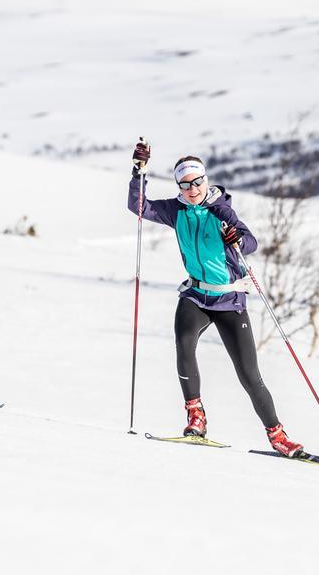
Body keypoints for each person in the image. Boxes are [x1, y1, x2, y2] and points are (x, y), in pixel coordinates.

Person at [126, 141, 303, 457]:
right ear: (179, 185)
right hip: (195, 295)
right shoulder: (176, 210)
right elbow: (138, 207)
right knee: (184, 342)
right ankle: (196, 417)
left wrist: (237, 238)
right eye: (185, 184)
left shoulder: (220, 209)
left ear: (205, 181)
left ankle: (278, 436)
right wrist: (139, 172)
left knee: (249, 375)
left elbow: (251, 243)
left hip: (229, 300)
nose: (192, 189)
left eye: (197, 182)